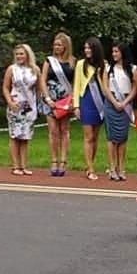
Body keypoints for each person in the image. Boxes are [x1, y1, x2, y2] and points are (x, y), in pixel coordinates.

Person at [39, 32, 77, 176]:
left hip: (65, 99)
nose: (57, 47)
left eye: (59, 44)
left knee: (65, 130)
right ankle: (54, 160)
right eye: (55, 44)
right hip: (51, 98)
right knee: (53, 131)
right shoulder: (49, 61)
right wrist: (47, 98)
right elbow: (42, 80)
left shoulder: (73, 61)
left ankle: (63, 160)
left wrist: (73, 98)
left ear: (66, 46)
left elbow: (75, 82)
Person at [2, 44, 40, 176]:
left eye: (21, 54)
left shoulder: (35, 69)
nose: (19, 56)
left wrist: (39, 104)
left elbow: (39, 89)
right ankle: (15, 166)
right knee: (15, 136)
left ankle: (24, 165)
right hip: (15, 105)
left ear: (28, 55)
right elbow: (5, 87)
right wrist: (9, 101)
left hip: (29, 107)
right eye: (17, 54)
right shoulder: (11, 69)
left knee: (25, 137)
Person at [72, 36, 106, 180]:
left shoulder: (103, 64)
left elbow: (105, 85)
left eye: (89, 48)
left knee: (96, 137)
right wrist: (76, 105)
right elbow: (77, 84)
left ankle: (89, 164)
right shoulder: (80, 64)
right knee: (88, 136)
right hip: (86, 100)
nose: (86, 50)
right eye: (85, 48)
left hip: (99, 101)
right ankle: (90, 169)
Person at [103, 42, 136, 181]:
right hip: (111, 103)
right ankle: (112, 167)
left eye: (116, 51)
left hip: (125, 104)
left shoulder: (132, 69)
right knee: (111, 137)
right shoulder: (108, 68)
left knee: (122, 138)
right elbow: (105, 87)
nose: (114, 54)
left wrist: (124, 102)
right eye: (113, 52)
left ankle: (121, 168)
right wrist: (115, 101)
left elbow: (135, 88)